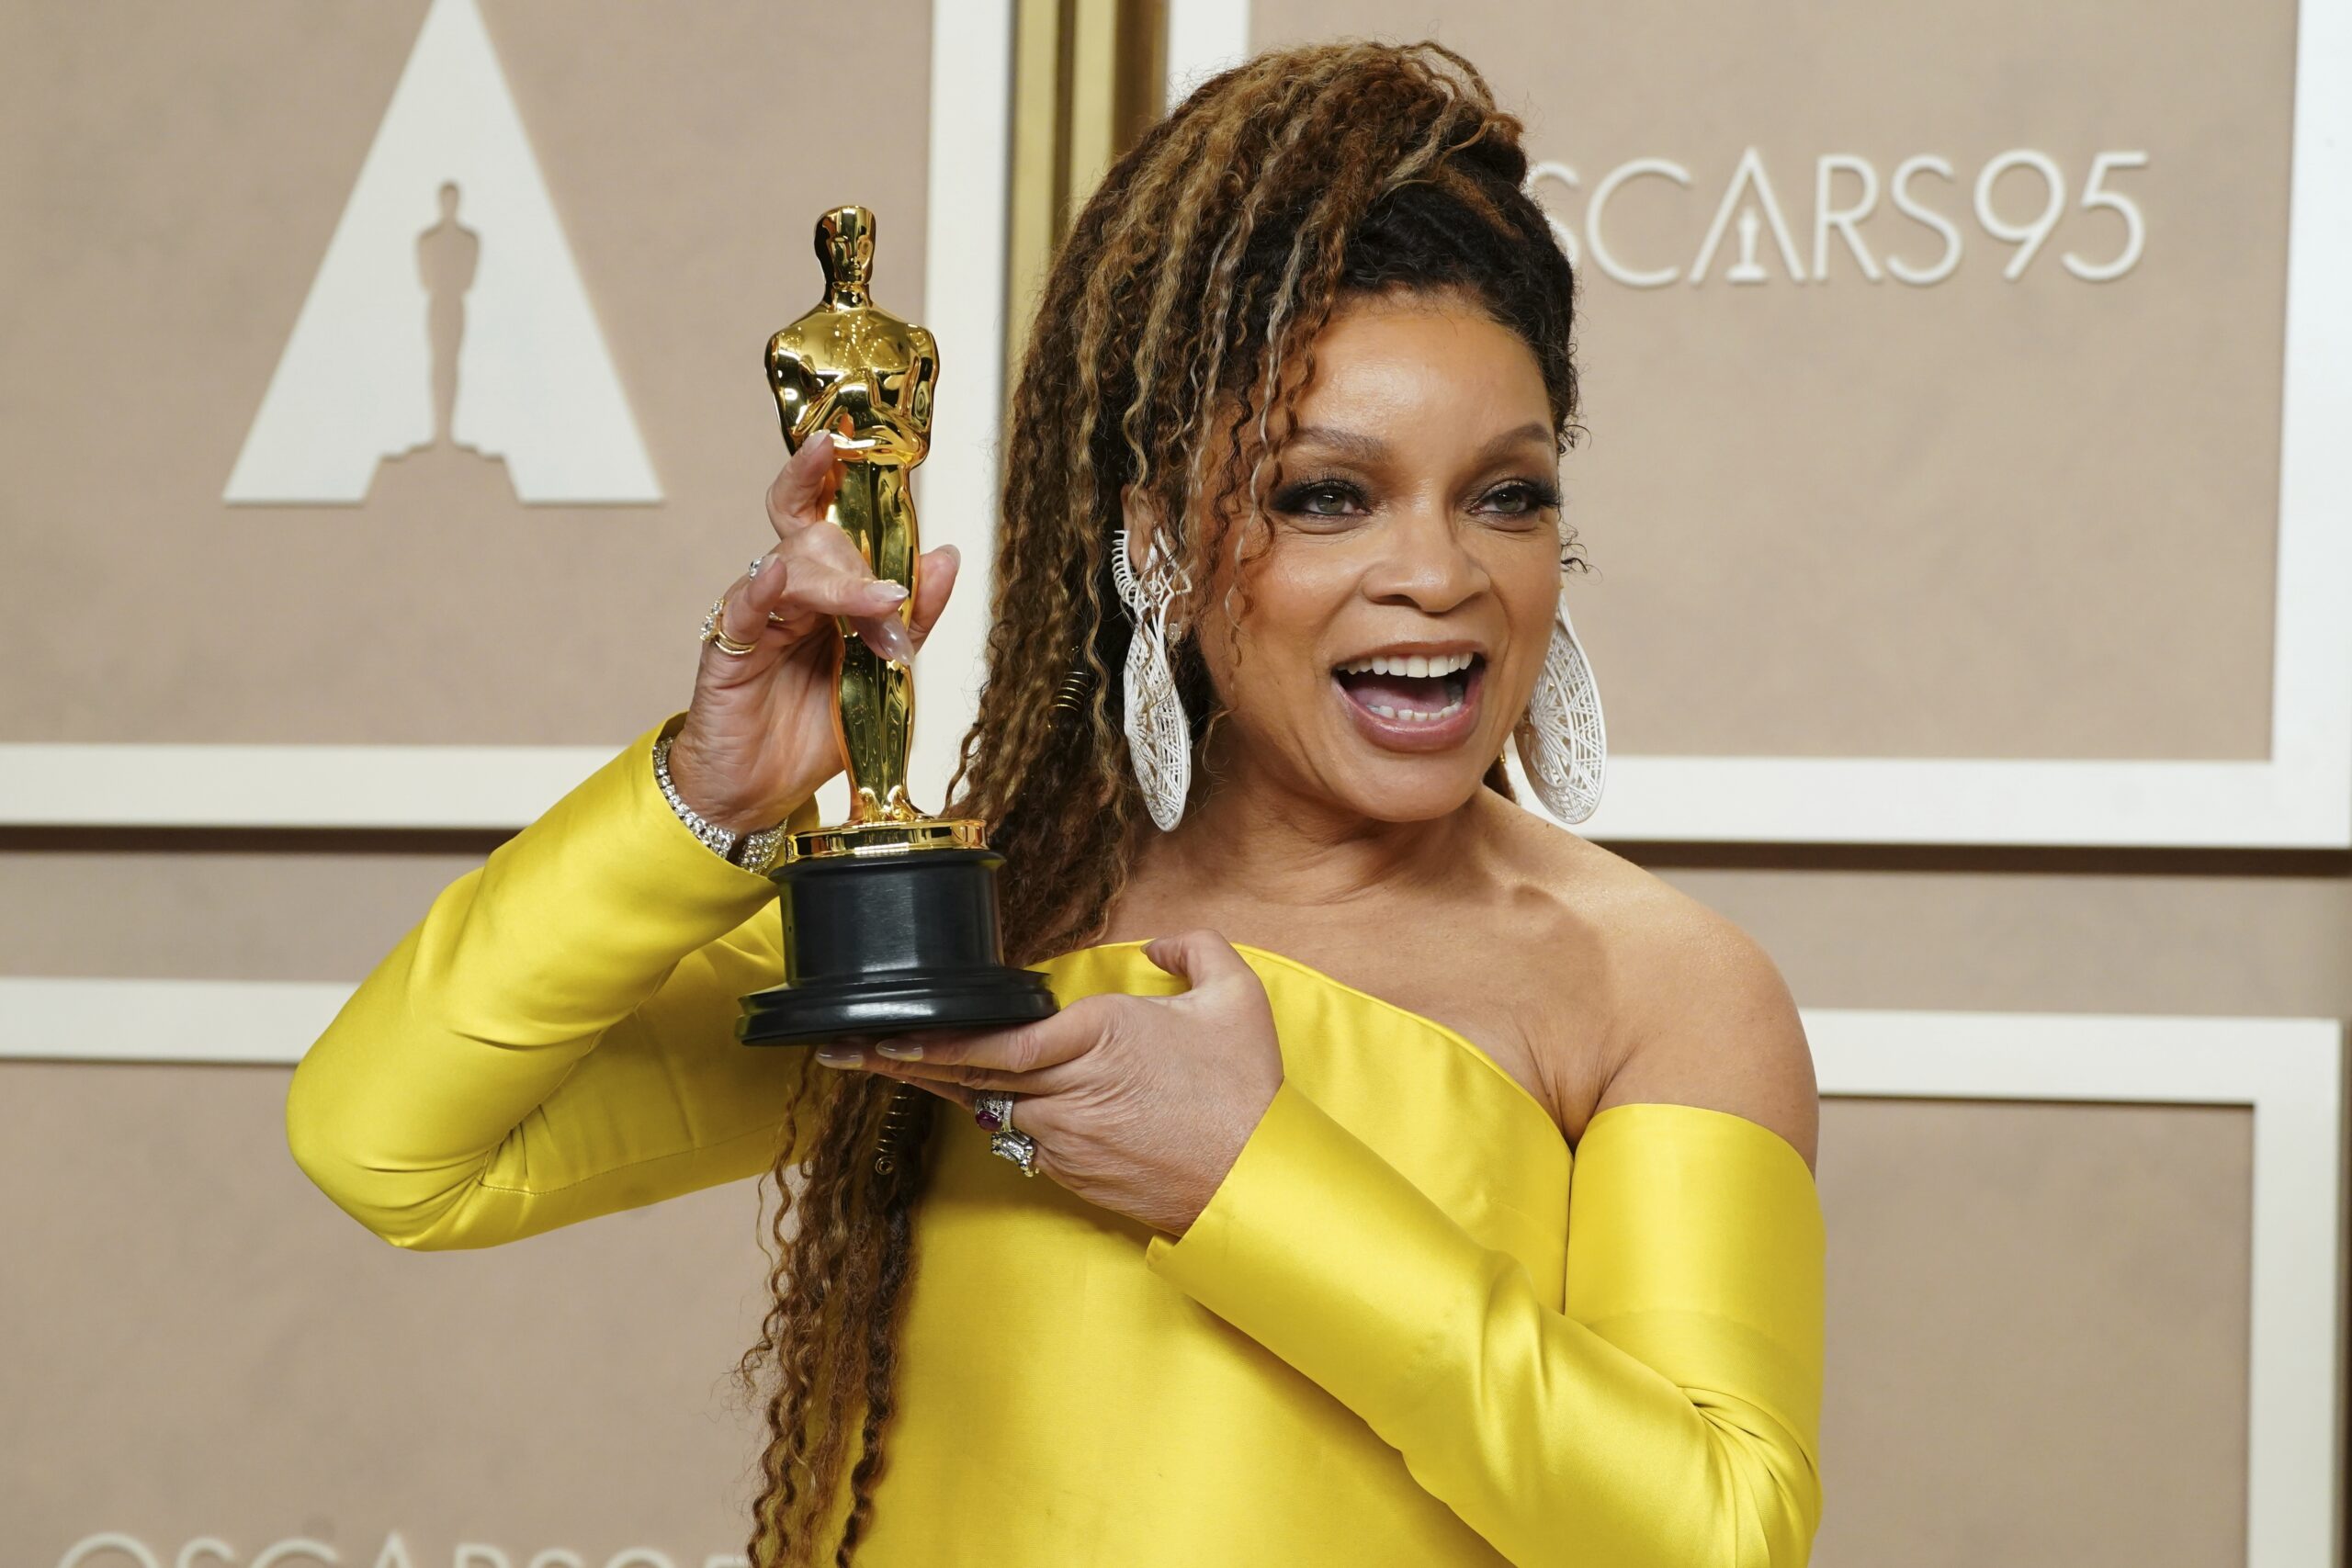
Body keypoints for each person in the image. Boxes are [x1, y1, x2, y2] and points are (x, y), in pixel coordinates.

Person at [285, 38, 1825, 1568]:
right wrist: (706, 799)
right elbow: (391, 1146)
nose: (1439, 572)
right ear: (1154, 533)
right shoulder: (989, 922)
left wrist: (1250, 1177)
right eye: (1324, 495)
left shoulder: (1655, 987)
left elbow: (1719, 1536)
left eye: (1509, 493)